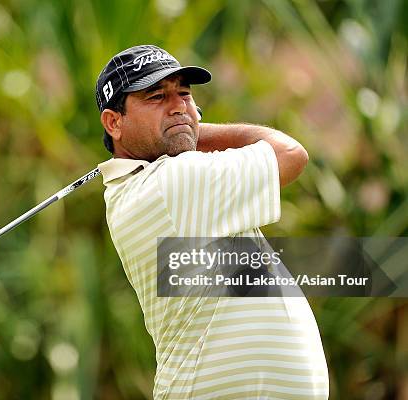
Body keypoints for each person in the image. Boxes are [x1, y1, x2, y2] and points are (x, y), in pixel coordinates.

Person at [96, 45, 329, 399]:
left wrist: (178, 128)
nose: (178, 106)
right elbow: (290, 154)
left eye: (185, 95)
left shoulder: (146, 186)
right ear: (114, 122)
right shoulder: (171, 183)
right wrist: (188, 130)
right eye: (156, 96)